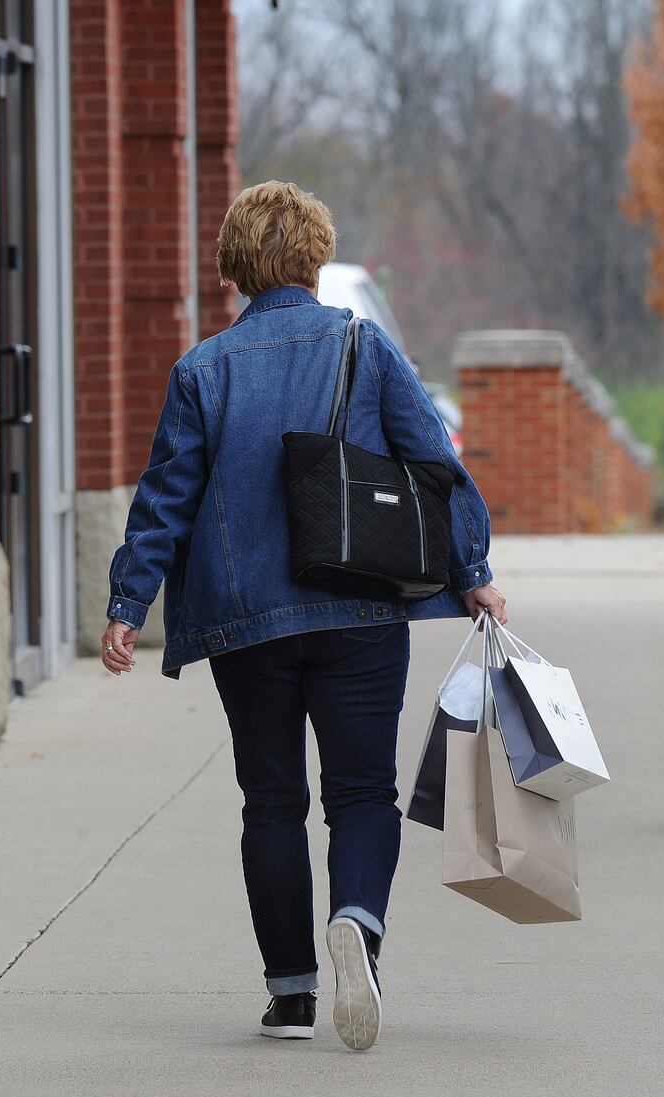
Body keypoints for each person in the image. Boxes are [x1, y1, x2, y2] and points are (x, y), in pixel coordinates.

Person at [99, 181, 504, 1051]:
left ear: (235, 270)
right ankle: (357, 918)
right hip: (360, 606)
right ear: (316, 259)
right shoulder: (366, 347)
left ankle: (290, 995)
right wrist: (472, 570)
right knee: (362, 792)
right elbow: (434, 463)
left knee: (270, 801)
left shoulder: (204, 369)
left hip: (249, 623)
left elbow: (165, 497)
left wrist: (129, 603)